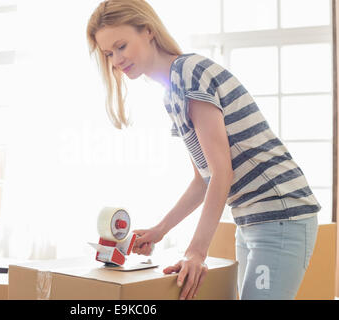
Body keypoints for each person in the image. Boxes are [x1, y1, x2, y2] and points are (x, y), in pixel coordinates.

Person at [86, 0, 321, 300]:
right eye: (108, 53)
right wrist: (159, 230)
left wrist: (196, 252)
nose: (116, 60)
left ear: (147, 31)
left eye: (121, 46)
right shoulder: (172, 92)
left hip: (280, 213)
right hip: (251, 220)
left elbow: (223, 172)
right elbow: (204, 178)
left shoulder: (189, 73)